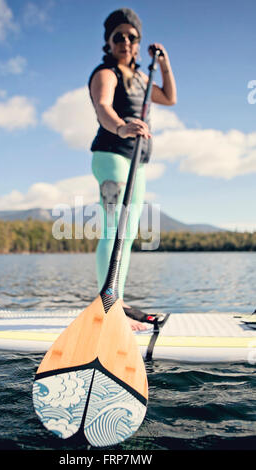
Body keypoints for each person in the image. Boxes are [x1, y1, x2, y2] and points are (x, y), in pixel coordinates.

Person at [88, 8, 177, 330]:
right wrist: (121, 127)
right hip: (111, 153)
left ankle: (117, 301)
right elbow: (103, 107)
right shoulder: (106, 73)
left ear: (138, 43)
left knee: (126, 236)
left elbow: (169, 97)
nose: (125, 41)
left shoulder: (141, 77)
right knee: (114, 229)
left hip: (138, 161)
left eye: (131, 36)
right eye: (119, 36)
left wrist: (164, 64)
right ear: (109, 42)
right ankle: (108, 305)